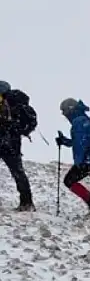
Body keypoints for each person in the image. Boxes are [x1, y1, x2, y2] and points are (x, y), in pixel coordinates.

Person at [0, 80, 36, 211]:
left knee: (18, 172)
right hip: (13, 143)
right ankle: (27, 202)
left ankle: (26, 202)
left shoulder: (6, 102)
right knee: (18, 173)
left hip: (4, 140)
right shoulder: (19, 103)